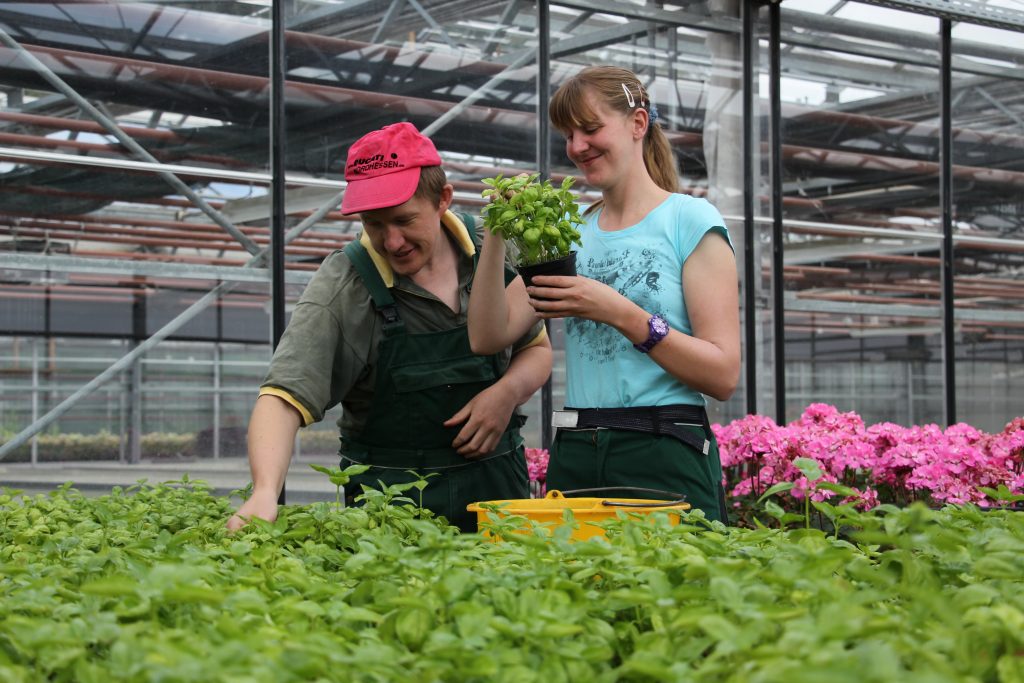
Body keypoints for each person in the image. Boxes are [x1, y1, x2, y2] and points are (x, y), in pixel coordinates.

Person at [227, 121, 551, 533]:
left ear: (443, 200)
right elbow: (283, 395)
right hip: (391, 507)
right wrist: (264, 492)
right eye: (374, 223)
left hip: (498, 492)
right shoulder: (346, 285)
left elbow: (535, 350)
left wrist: (507, 393)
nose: (392, 241)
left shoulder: (490, 247)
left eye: (404, 219)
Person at [468, 66, 740, 523]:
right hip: (577, 451)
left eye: (590, 129)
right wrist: (496, 234)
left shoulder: (688, 220)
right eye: (568, 135)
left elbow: (723, 374)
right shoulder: (569, 231)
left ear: (638, 123)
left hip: (665, 447)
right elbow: (487, 335)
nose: (577, 146)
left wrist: (620, 313)